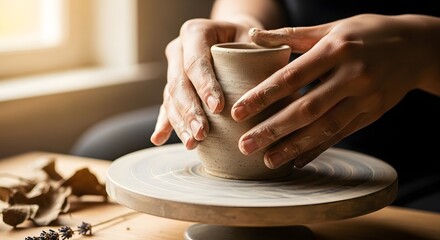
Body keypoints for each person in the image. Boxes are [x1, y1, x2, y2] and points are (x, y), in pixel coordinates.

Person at [150, 0, 440, 211]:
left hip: (421, 156)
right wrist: (243, 23)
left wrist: (422, 50)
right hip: (287, 116)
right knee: (109, 145)